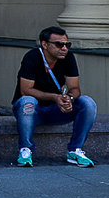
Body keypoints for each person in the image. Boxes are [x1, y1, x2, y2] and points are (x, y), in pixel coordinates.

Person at [12, 26, 97, 168]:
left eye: (67, 44)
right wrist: (55, 97)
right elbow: (25, 90)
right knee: (28, 102)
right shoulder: (32, 57)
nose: (64, 48)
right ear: (45, 44)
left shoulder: (68, 57)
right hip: (31, 111)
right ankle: (25, 150)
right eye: (59, 44)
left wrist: (68, 99)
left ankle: (75, 150)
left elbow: (75, 88)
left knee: (87, 103)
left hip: (56, 110)